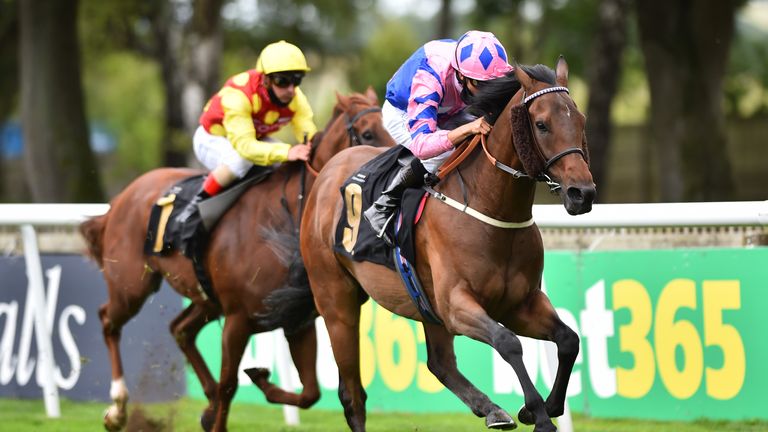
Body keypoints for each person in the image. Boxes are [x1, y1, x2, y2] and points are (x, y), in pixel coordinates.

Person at [363, 30, 514, 245]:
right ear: (461, 74)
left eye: (494, 84)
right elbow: (423, 145)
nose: (488, 92)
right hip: (403, 112)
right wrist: (467, 128)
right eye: (482, 85)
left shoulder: (480, 72)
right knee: (443, 152)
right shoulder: (430, 78)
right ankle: (383, 205)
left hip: (449, 109)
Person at [175, 40, 317, 224]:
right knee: (242, 160)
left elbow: (309, 134)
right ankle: (194, 207)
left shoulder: (296, 98)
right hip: (212, 139)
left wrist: (311, 147)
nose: (291, 89)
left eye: (297, 80)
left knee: (281, 161)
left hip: (253, 139)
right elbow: (245, 147)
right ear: (266, 79)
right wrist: (287, 152)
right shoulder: (239, 96)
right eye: (283, 81)